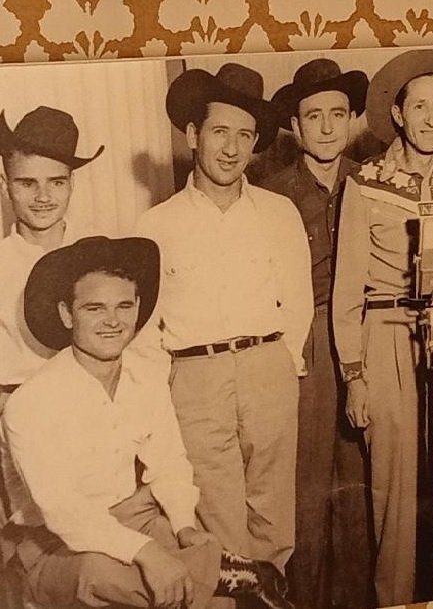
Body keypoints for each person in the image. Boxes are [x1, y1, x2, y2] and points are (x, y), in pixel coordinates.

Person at [2, 235, 293, 609]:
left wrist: (184, 527)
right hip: (49, 543)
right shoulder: (32, 401)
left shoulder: (146, 378)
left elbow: (169, 462)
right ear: (66, 314)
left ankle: (219, 572)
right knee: (99, 574)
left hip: (132, 517)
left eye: (124, 306)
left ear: (138, 308)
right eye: (94, 308)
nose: (112, 321)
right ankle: (233, 574)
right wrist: (148, 553)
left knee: (197, 561)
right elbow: (63, 512)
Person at [134, 63, 314, 572]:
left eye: (244, 135)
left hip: (268, 369)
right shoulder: (156, 225)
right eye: (219, 133)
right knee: (217, 515)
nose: (231, 149)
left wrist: (281, 363)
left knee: (274, 513)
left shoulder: (279, 213)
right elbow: (146, 333)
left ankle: (275, 595)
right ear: (193, 134)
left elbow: (296, 302)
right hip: (195, 378)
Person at [331, 47, 433, 605]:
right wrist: (355, 375)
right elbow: (347, 288)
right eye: (418, 106)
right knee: (393, 490)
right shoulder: (367, 182)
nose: (431, 117)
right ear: (397, 114)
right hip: (386, 334)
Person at [263, 58, 374, 608]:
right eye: (313, 116)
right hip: (303, 340)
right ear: (296, 125)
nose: (327, 127)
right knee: (306, 481)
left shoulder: (375, 181)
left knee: (361, 479)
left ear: (353, 118)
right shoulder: (272, 191)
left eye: (337, 114)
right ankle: (303, 598)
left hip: (367, 338)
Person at [0, 107, 103, 413]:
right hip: (18, 411)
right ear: (5, 186)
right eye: (27, 183)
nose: (43, 196)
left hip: (91, 409)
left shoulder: (100, 255)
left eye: (56, 182)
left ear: (73, 184)